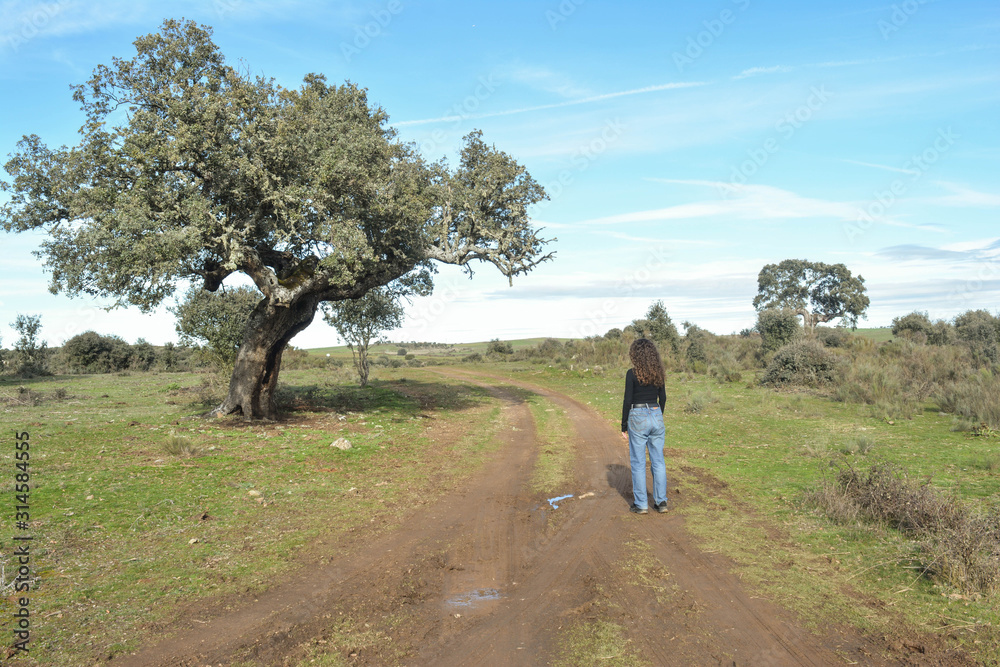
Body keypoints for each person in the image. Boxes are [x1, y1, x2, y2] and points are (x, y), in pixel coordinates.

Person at [619, 338, 668, 514]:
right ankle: (661, 502)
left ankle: (641, 504)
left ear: (635, 355)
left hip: (638, 415)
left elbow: (627, 400)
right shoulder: (659, 373)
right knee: (658, 460)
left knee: (639, 463)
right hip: (656, 413)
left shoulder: (631, 374)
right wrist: (657, 415)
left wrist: (624, 424)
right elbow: (663, 398)